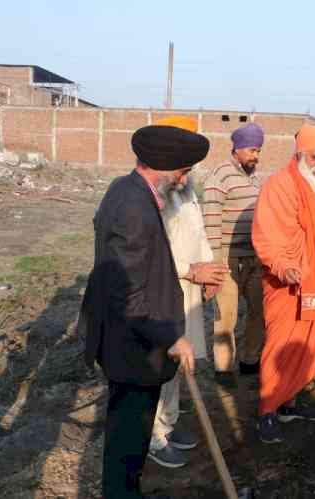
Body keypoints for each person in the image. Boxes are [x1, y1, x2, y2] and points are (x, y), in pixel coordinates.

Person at [78, 122, 210, 498]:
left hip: (133, 340)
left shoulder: (127, 189)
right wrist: (172, 336)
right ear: (165, 167)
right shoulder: (134, 207)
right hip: (132, 346)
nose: (184, 181)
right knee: (128, 440)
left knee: (130, 437)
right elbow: (129, 293)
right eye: (183, 172)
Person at [251, 124, 315, 444]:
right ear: (301, 153)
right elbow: (269, 233)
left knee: (308, 348)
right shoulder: (279, 186)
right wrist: (283, 266)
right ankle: (267, 410)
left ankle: (288, 404)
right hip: (291, 284)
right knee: (282, 346)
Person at [146, 116, 229, 469]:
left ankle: (170, 422)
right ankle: (152, 435)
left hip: (189, 292)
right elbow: (150, 254)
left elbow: (197, 232)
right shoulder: (149, 197)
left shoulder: (185, 188)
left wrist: (209, 271)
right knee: (161, 365)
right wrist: (189, 271)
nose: (187, 171)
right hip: (163, 292)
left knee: (183, 364)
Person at [203, 123, 266, 387]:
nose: (256, 156)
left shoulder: (254, 177)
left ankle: (250, 360)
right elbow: (211, 221)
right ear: (237, 149)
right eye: (252, 150)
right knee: (225, 316)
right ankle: (223, 368)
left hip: (255, 259)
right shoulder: (219, 176)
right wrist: (216, 264)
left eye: (259, 150)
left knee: (258, 312)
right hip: (227, 260)